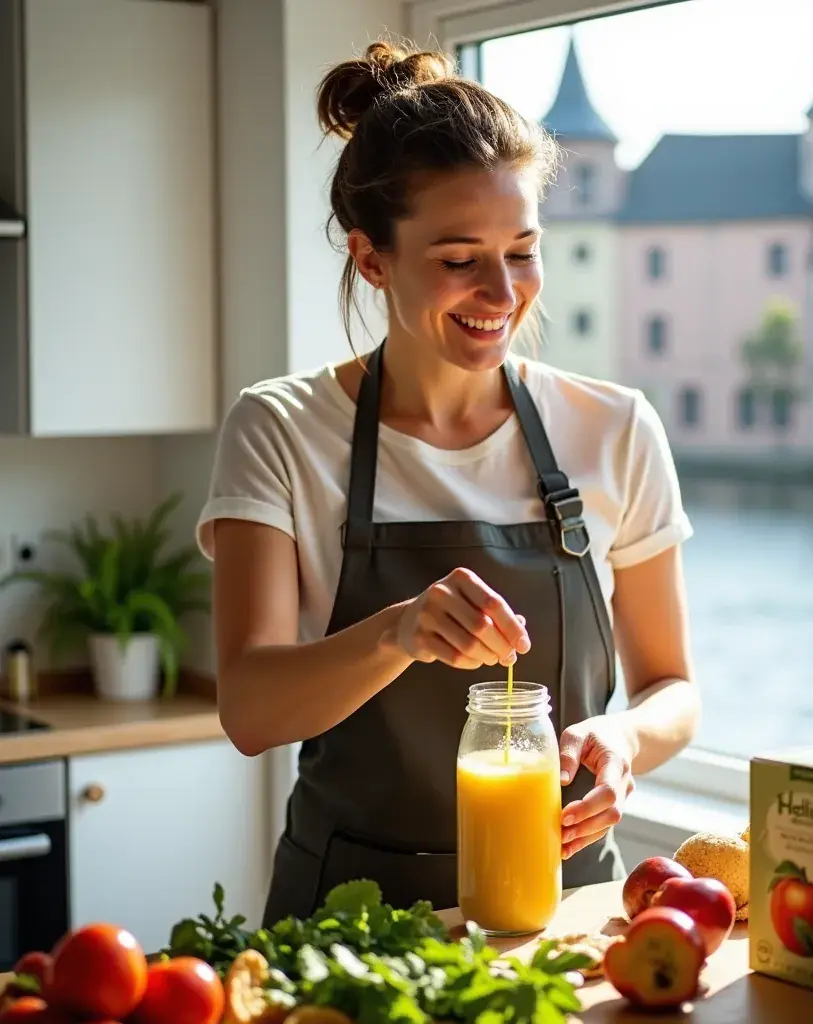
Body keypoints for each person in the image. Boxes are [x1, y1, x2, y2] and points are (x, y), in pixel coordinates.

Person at [196, 39, 701, 926]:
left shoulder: (614, 428)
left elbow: (674, 689)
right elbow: (249, 708)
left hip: (562, 913)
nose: (502, 291)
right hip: (348, 923)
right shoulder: (279, 429)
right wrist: (397, 632)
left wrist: (623, 737)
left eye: (523, 251)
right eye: (460, 258)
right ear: (372, 259)